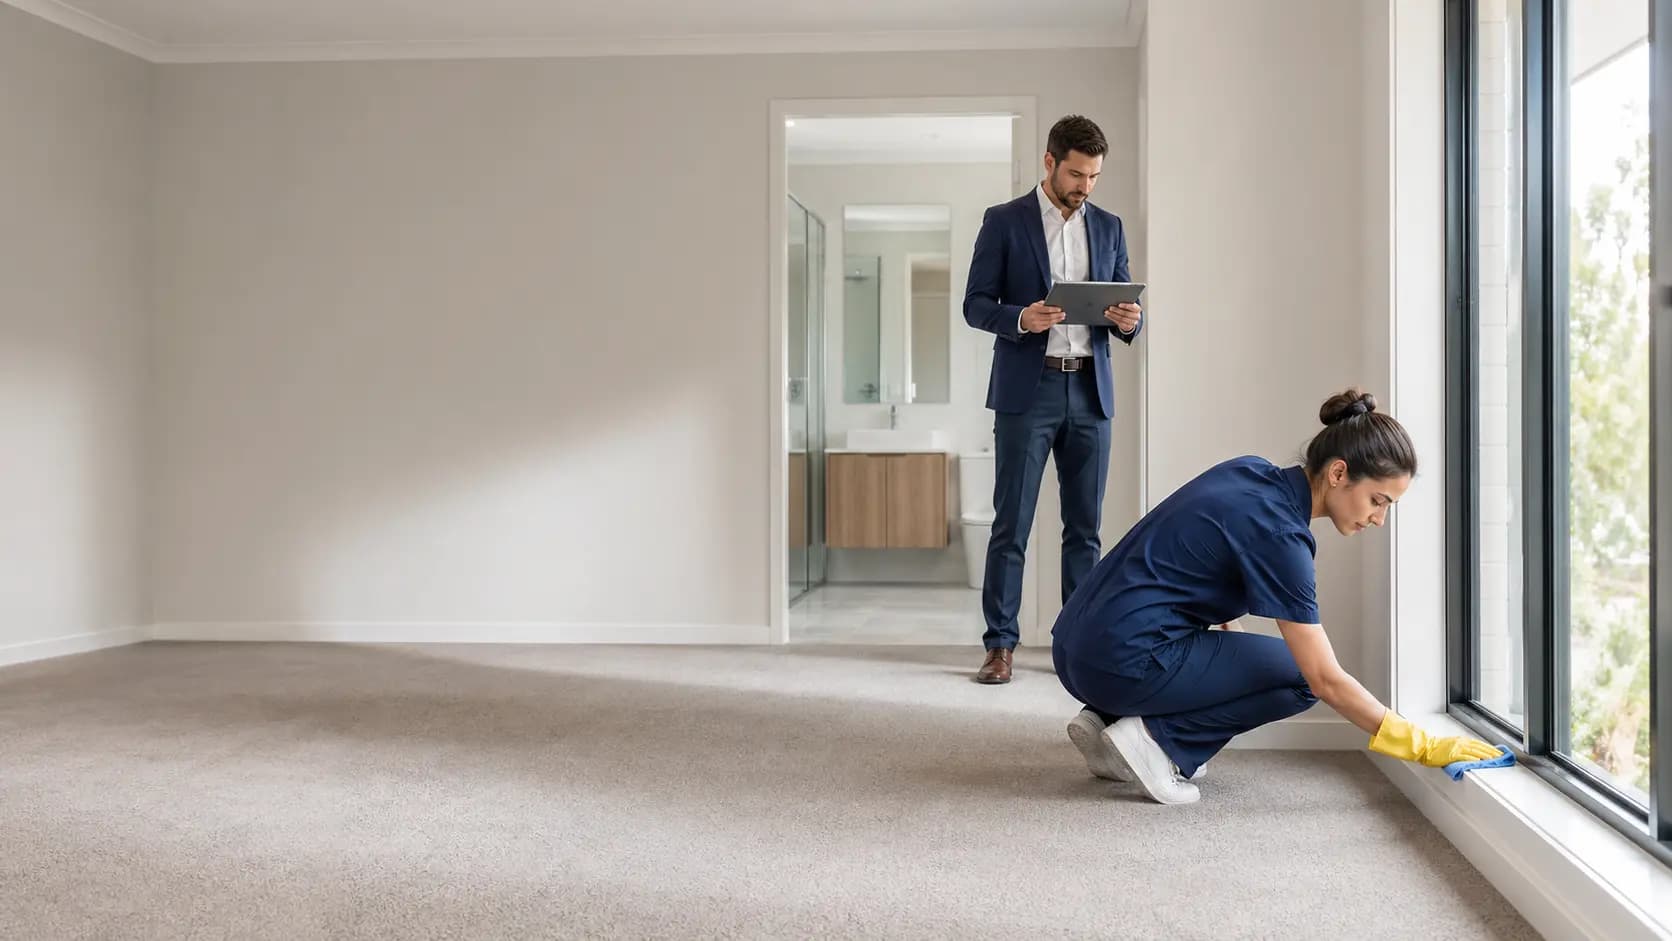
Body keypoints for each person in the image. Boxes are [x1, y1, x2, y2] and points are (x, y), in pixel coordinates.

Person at [1050, 389, 1500, 804]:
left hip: (1074, 648)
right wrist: (1421, 745)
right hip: (1116, 664)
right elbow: (1324, 678)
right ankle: (1157, 743)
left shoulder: (1249, 471)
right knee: (1299, 678)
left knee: (1243, 657)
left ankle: (1106, 721)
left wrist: (1214, 673)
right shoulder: (1283, 537)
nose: (1379, 519)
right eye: (1378, 501)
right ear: (1339, 472)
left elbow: (1195, 579)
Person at [963, 114, 1143, 685]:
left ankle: (1076, 646)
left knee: (1084, 529)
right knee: (1010, 524)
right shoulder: (1004, 222)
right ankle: (1000, 646)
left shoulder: (1109, 226)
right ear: (1049, 163)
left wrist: (1130, 319)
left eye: (1093, 176)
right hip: (1028, 390)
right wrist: (1020, 317)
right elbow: (975, 304)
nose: (1085, 187)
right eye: (1075, 174)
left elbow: (1125, 303)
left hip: (1091, 390)